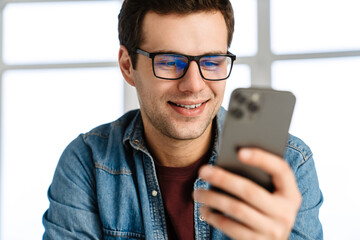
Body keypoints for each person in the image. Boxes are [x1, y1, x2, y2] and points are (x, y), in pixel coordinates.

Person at [42, 0, 323, 239]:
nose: (194, 85)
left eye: (212, 61)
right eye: (169, 61)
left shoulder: (289, 165)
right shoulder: (87, 163)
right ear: (128, 66)